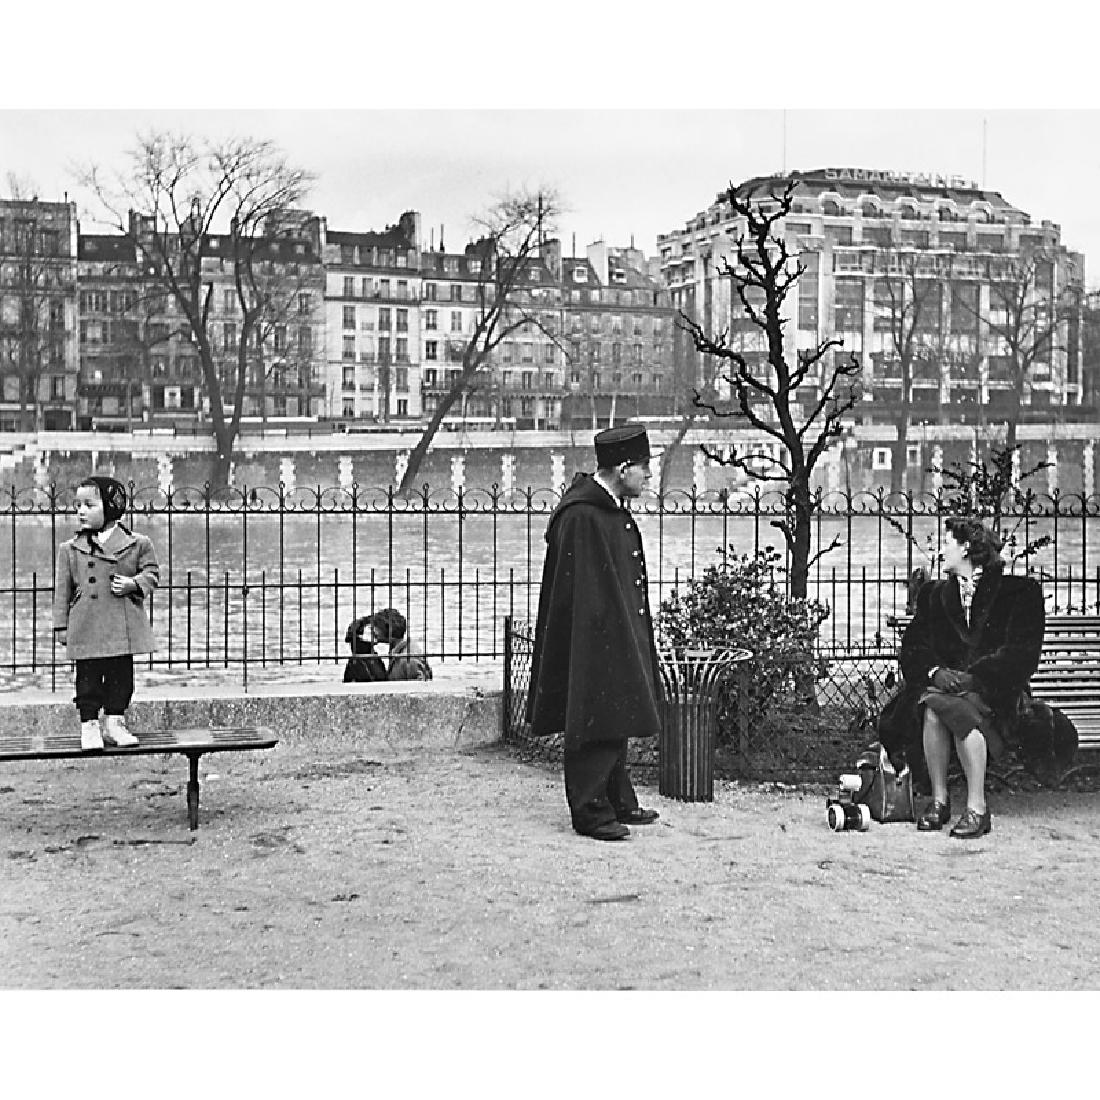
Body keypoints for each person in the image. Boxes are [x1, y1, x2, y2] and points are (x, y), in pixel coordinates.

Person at [526, 425, 663, 842]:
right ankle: (590, 811)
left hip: (613, 628)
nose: (649, 476)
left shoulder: (605, 509)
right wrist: (604, 635)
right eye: (644, 467)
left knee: (615, 711)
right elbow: (583, 592)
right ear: (623, 469)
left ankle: (617, 798)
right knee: (595, 714)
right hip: (593, 635)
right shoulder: (583, 516)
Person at [887, 516, 1045, 839]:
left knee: (946, 709)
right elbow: (913, 647)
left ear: (966, 548)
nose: (939, 550)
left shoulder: (1019, 592)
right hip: (945, 690)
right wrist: (936, 672)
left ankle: (977, 807)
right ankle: (940, 801)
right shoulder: (933, 595)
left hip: (997, 693)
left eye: (946, 542)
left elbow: (1022, 654)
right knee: (936, 708)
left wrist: (976, 679)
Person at [53, 476, 160, 752]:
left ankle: (115, 722)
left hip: (121, 626)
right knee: (87, 680)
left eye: (89, 505)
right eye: (78, 505)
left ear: (111, 507)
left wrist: (133, 584)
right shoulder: (70, 549)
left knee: (121, 678)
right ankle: (89, 725)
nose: (81, 511)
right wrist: (61, 626)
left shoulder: (138, 543)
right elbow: (62, 591)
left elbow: (152, 574)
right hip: (86, 625)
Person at [344, 608, 432, 682]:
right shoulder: (399, 653)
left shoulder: (408, 659)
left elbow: (421, 687)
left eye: (376, 627)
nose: (374, 631)